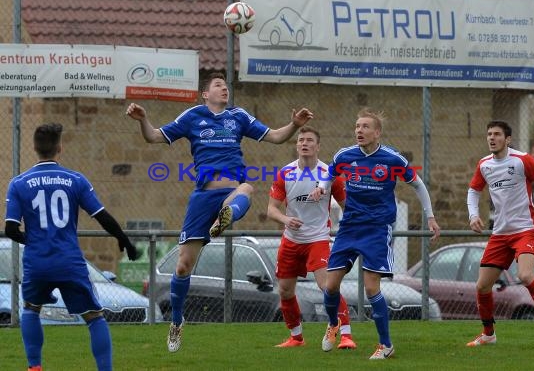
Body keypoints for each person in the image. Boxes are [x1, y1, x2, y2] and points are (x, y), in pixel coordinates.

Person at [126, 72, 314, 352]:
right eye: (218, 86)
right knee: (182, 266)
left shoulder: (238, 117)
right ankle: (176, 322)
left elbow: (275, 137)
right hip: (203, 196)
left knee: (247, 188)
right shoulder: (192, 116)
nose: (224, 89)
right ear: (206, 94)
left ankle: (225, 217)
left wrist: (294, 125)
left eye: (226, 86)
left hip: (231, 191)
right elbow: (154, 137)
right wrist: (143, 119)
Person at [309, 108, 440, 360]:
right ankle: (334, 323)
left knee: (371, 288)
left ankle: (386, 345)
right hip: (349, 227)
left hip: (378, 229)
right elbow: (330, 173)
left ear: (377, 132)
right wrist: (321, 188)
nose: (359, 130)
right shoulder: (345, 155)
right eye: (357, 126)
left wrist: (430, 216)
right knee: (330, 285)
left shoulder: (392, 159)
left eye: (365, 126)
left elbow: (418, 184)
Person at [4, 123, 137, 371]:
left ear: (34, 148)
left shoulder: (19, 183)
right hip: (69, 261)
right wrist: (124, 239)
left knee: (31, 310)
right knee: (94, 317)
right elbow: (101, 215)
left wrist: (33, 242)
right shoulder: (75, 180)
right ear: (59, 148)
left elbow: (11, 229)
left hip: (37, 262)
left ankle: (35, 367)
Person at [466, 120, 534, 346]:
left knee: (525, 276)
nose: (492, 138)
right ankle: (489, 334)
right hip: (500, 234)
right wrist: (473, 216)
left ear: (507, 139)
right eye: (489, 134)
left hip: (524, 231)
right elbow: (473, 191)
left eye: (497, 134)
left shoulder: (522, 160)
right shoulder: (484, 164)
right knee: (481, 286)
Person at [267, 126, 356, 349]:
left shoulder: (330, 174)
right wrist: (286, 220)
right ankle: (296, 337)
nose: (304, 143)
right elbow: (271, 209)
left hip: (318, 239)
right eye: (301, 140)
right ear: (296, 145)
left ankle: (345, 334)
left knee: (327, 286)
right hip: (291, 240)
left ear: (318, 146)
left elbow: (348, 207)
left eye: (309, 140)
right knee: (285, 290)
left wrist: (351, 232)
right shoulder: (285, 173)